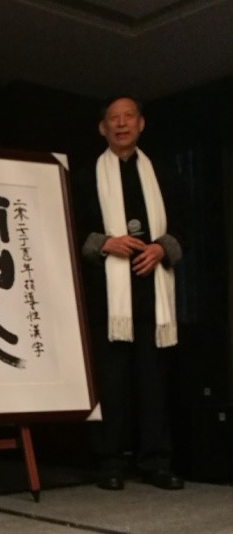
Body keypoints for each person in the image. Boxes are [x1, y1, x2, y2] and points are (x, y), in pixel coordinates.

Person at [75, 95, 186, 491]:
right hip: (108, 299)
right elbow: (70, 227)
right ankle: (109, 462)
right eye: (113, 118)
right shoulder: (86, 176)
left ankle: (157, 461)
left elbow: (185, 223)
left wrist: (162, 248)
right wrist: (105, 243)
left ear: (141, 124)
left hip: (154, 296)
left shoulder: (164, 173)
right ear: (102, 128)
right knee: (112, 383)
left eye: (128, 117)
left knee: (154, 383)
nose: (121, 124)